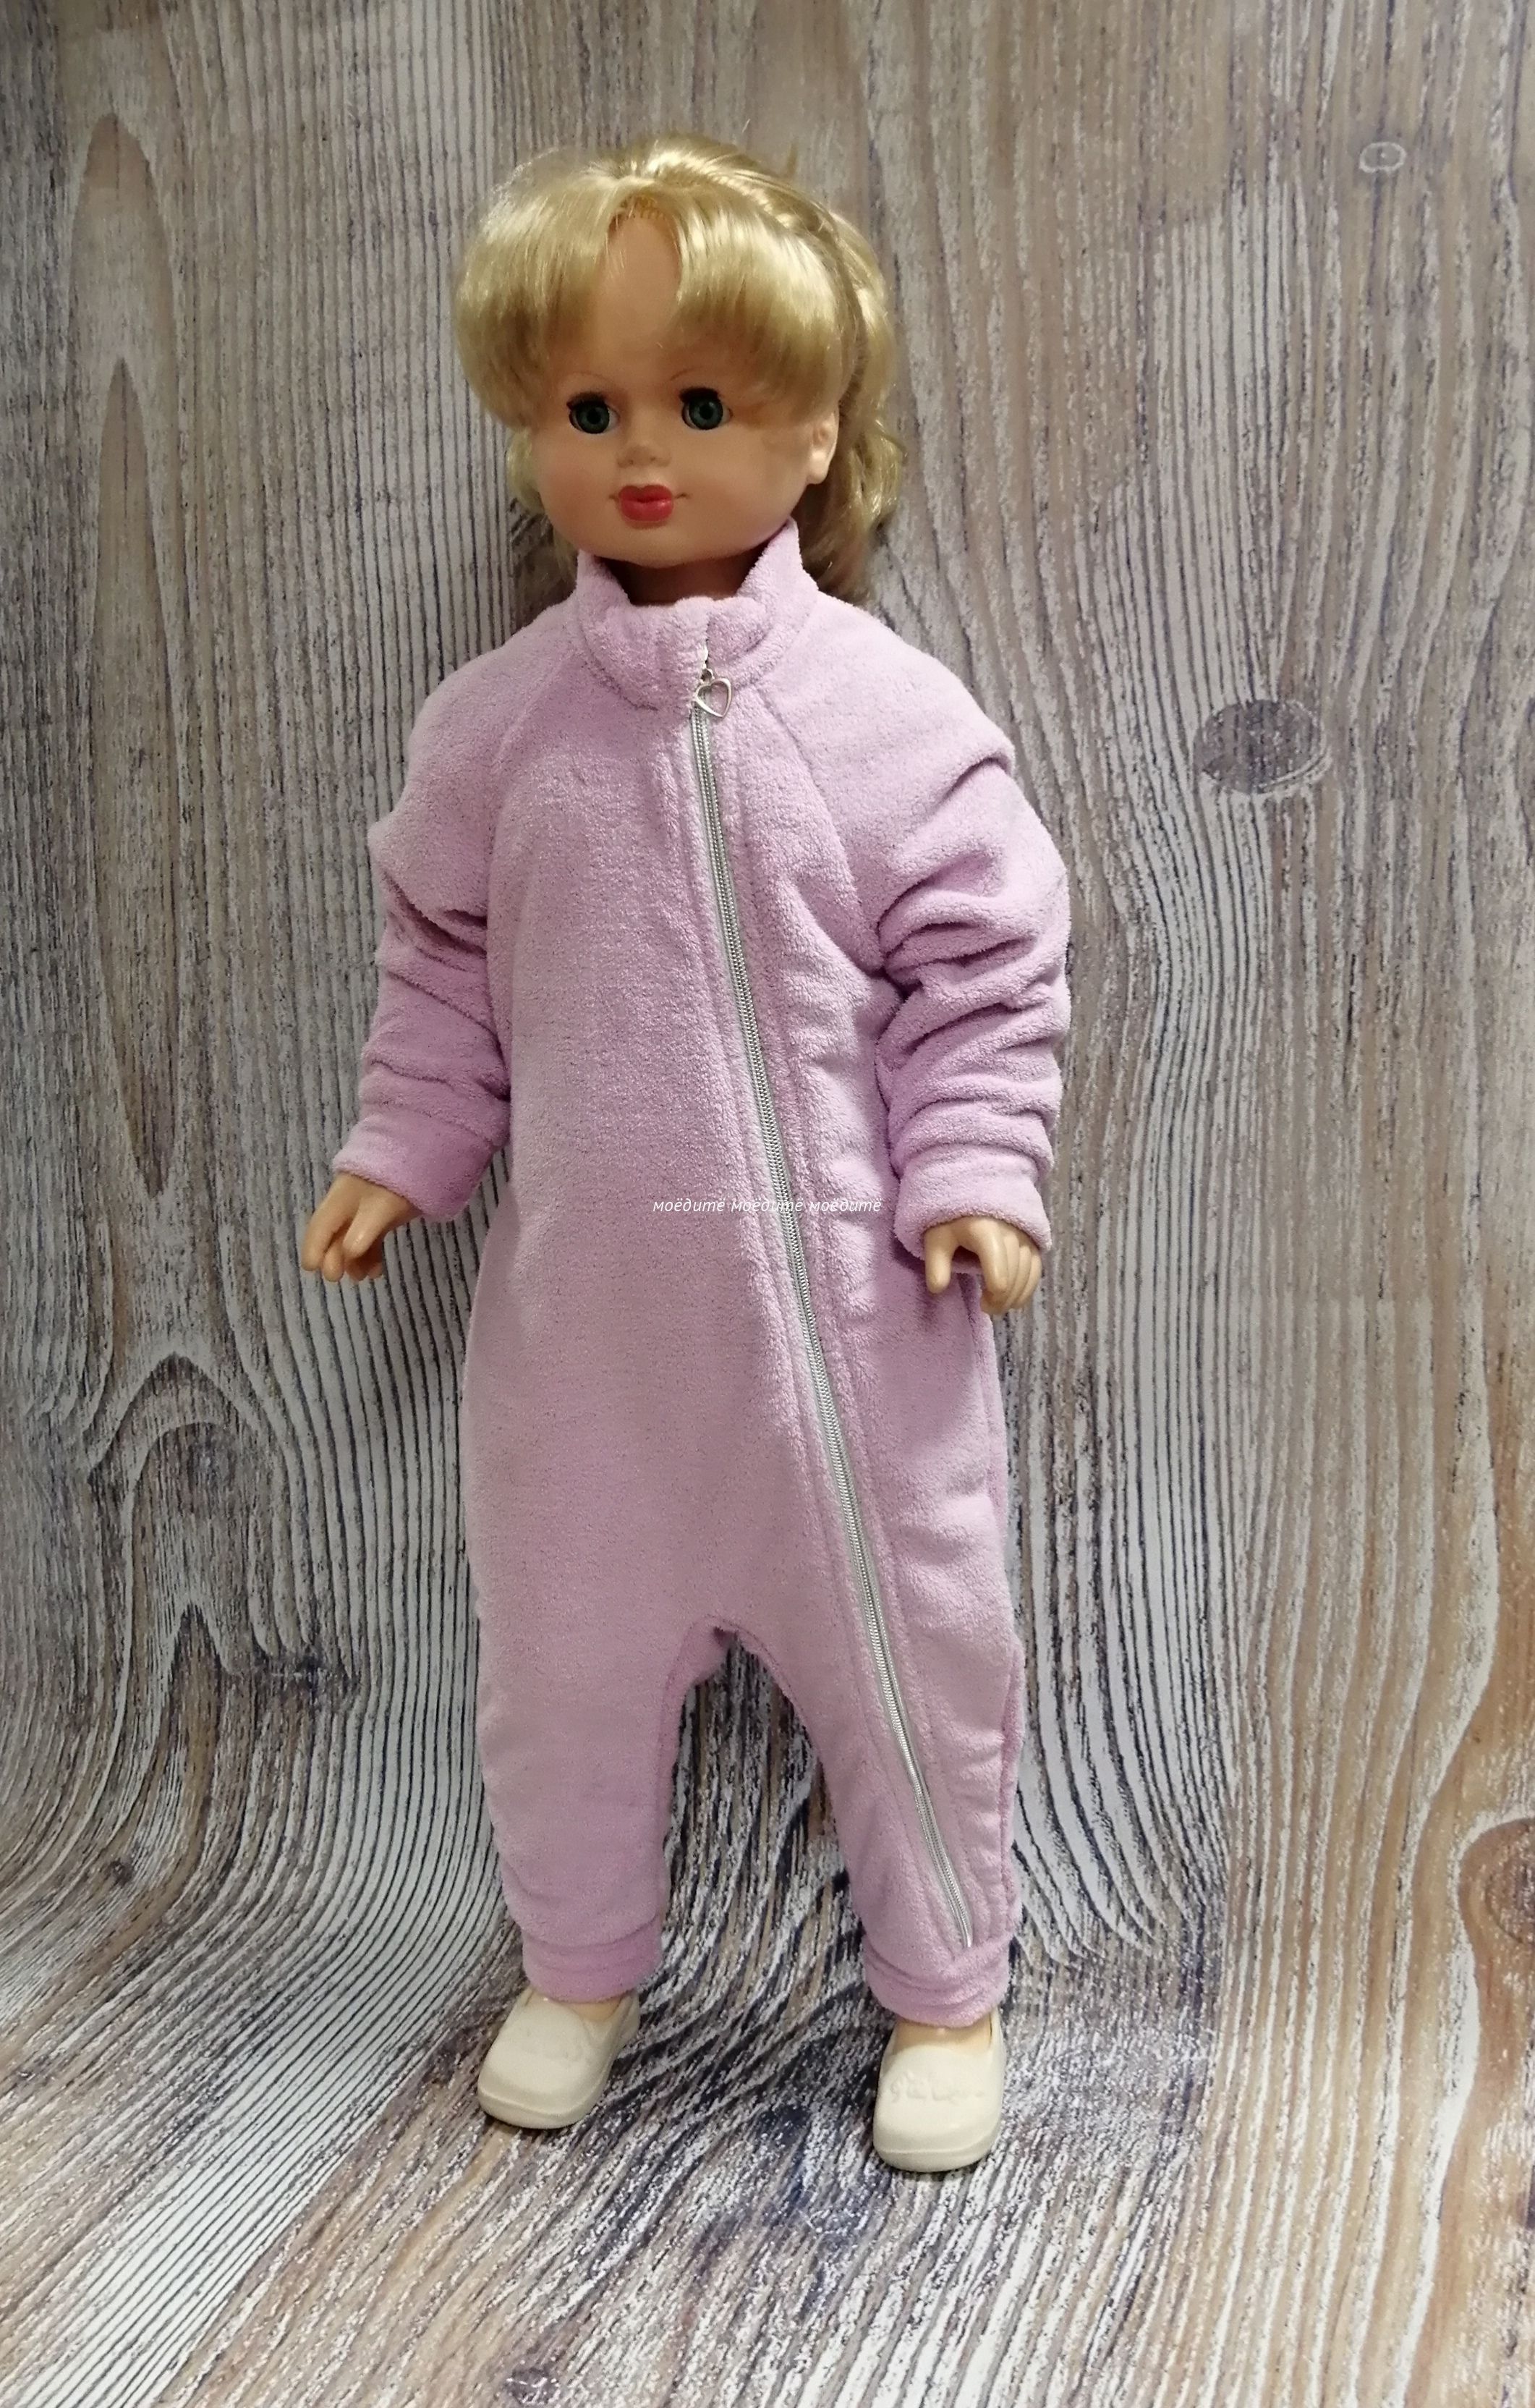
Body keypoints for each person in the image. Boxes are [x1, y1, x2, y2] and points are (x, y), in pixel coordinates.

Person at [299, 132, 1071, 2175]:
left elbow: (989, 964)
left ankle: (947, 1991)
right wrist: (403, 1144)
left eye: (704, 404)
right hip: (587, 1358)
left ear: (815, 435)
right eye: (589, 409)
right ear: (528, 428)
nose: (643, 451)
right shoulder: (496, 732)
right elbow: (440, 965)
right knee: (557, 1680)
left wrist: (974, 1171)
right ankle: (578, 1969)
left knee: (919, 1673)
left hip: (859, 1352)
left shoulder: (888, 718)